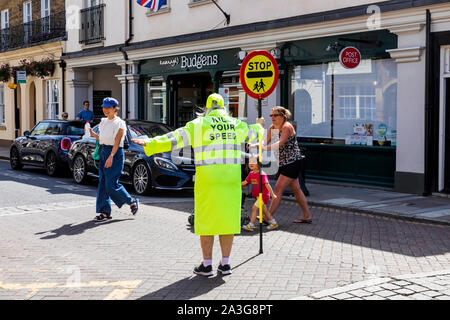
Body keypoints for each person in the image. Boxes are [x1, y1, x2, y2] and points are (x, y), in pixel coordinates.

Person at [132, 93, 264, 277]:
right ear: (224, 108)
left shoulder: (198, 124)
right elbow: (256, 132)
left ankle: (207, 265)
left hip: (208, 180)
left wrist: (150, 143)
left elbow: (174, 138)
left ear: (207, 109)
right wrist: (259, 125)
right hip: (231, 180)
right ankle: (225, 264)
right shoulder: (236, 125)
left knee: (206, 221)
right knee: (227, 222)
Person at [88, 97, 139, 221]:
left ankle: (131, 201)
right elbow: (103, 138)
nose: (105, 110)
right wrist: (94, 135)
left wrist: (111, 156)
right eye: (104, 107)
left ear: (115, 108)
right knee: (103, 183)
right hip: (104, 151)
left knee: (111, 184)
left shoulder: (120, 123)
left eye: (108, 108)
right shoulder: (103, 121)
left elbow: (117, 140)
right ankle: (105, 212)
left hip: (115, 153)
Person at [262, 106, 312, 224]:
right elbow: (265, 141)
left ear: (283, 116)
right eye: (271, 115)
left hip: (293, 162)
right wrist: (255, 145)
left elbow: (280, 143)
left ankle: (268, 217)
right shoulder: (272, 128)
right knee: (296, 189)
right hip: (283, 163)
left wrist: (264, 148)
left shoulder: (287, 127)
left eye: (275, 115)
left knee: (278, 188)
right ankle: (307, 216)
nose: (273, 118)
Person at [241, 156, 278, 231]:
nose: (251, 164)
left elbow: (267, 184)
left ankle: (251, 225)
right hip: (257, 196)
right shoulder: (251, 174)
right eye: (250, 162)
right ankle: (273, 223)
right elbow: (245, 182)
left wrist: (272, 194)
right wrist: (236, 184)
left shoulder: (262, 174)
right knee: (265, 211)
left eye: (253, 162)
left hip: (263, 196)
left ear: (258, 163)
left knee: (254, 208)